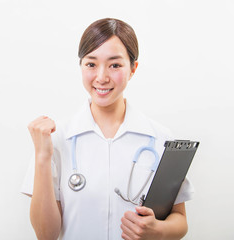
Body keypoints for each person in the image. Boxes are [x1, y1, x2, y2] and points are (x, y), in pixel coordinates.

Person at [21, 18, 194, 240]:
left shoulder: (161, 139)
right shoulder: (55, 139)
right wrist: (42, 157)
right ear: (81, 66)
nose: (101, 77)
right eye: (91, 64)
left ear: (133, 69)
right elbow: (46, 235)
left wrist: (158, 231)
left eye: (115, 65)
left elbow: (180, 220)